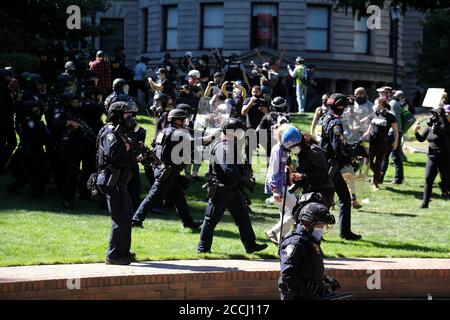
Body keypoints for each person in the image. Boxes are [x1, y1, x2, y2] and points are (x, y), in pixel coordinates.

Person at [132, 109, 211, 230]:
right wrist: (209, 138)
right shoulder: (176, 133)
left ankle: (188, 223)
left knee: (179, 199)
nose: (185, 122)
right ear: (176, 120)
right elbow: (192, 143)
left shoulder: (166, 131)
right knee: (152, 197)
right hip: (166, 173)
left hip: (166, 171)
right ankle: (136, 220)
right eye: (183, 119)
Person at [198, 118, 268, 254]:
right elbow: (228, 171)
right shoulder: (224, 147)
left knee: (243, 218)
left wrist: (244, 174)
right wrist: (244, 178)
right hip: (221, 190)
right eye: (239, 131)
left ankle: (251, 245)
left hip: (232, 190)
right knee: (210, 220)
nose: (242, 134)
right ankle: (203, 248)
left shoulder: (229, 145)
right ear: (231, 132)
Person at [96, 100, 139, 265]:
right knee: (120, 217)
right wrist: (127, 146)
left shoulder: (121, 131)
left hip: (119, 180)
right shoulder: (110, 131)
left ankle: (123, 252)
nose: (131, 117)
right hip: (110, 179)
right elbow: (112, 152)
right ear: (119, 115)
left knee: (127, 216)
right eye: (127, 114)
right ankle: (113, 255)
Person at [320, 93, 361, 240]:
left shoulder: (325, 117)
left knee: (343, 197)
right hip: (332, 165)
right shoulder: (336, 122)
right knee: (324, 199)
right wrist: (347, 160)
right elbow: (336, 146)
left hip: (327, 163)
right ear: (340, 106)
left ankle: (345, 232)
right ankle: (316, 232)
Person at [278, 202, 336, 300]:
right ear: (307, 223)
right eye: (320, 225)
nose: (321, 229)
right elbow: (288, 274)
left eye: (323, 226)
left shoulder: (311, 241)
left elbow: (309, 267)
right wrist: (304, 292)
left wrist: (323, 281)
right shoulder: (295, 243)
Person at [414, 106, 450, 208]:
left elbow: (446, 127)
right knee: (428, 179)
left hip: (444, 158)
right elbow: (421, 139)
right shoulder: (430, 127)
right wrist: (416, 132)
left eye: (435, 114)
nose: (433, 117)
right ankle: (425, 204)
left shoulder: (445, 127)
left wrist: (441, 113)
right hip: (431, 157)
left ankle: (444, 187)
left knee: (447, 182)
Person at [363, 97, 399, 191]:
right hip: (372, 141)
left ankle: (375, 182)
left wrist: (395, 141)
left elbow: (395, 130)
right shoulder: (374, 114)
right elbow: (371, 123)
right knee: (368, 162)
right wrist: (367, 132)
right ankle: (379, 173)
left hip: (383, 142)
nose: (374, 106)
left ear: (382, 105)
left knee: (379, 162)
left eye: (376, 104)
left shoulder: (390, 116)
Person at [381, 88, 404, 184]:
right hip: (395, 132)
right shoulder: (394, 103)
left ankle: (379, 179)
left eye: (382, 93)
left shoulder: (393, 104)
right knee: (396, 156)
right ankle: (398, 179)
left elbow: (392, 119)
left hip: (392, 133)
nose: (380, 95)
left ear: (388, 94)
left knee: (385, 156)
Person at [0, 68, 17, 174]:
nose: (10, 79)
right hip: (2, 122)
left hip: (8, 121)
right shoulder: (2, 91)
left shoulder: (6, 89)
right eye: (8, 77)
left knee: (12, 143)